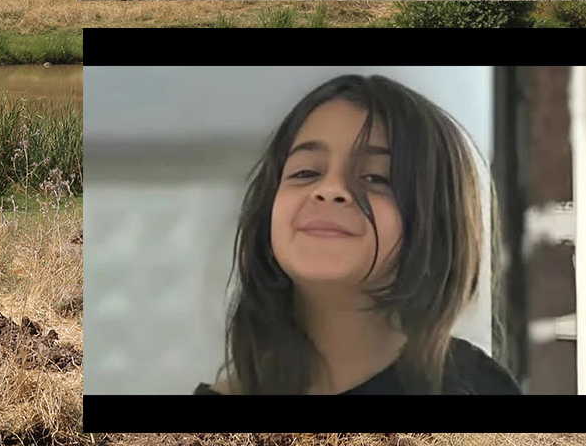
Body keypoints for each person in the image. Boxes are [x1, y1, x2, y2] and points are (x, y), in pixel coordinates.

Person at [196, 74, 517, 395]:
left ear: (436, 223)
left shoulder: (477, 388)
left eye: (376, 177)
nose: (330, 189)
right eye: (305, 172)